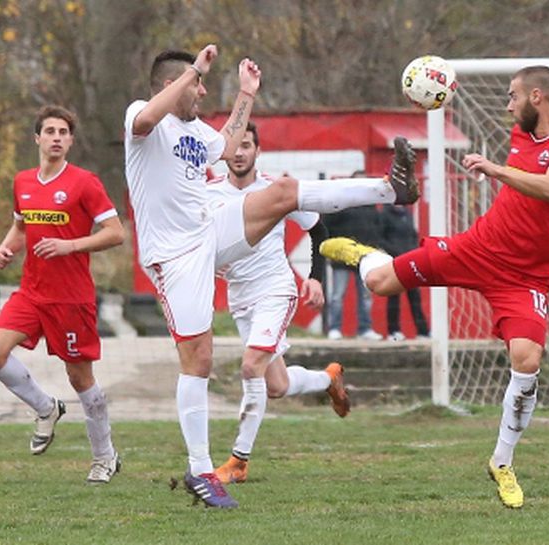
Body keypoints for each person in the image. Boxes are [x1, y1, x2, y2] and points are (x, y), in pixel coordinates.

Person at [124, 44, 417, 508]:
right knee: (197, 359)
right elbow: (144, 122)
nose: (201, 91)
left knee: (282, 192)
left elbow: (223, 145)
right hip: (173, 256)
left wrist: (245, 94)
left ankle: (390, 188)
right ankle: (201, 469)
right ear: (170, 84)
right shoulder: (142, 115)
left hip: (209, 236)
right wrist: (194, 69)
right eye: (197, 84)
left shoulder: (195, 128)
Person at [321, 66, 549, 509]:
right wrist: (445, 88)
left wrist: (496, 170)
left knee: (527, 359)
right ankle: (359, 251)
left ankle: (502, 461)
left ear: (537, 97)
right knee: (378, 281)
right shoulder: (523, 131)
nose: (507, 105)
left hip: (525, 277)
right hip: (479, 248)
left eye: (512, 97)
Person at [0, 105, 125, 483]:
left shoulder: (85, 183)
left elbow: (116, 232)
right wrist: (6, 248)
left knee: (81, 379)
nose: (57, 137)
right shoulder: (23, 182)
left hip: (71, 298)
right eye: (50, 131)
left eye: (63, 132)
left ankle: (104, 456)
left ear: (71, 141)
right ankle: (46, 408)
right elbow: (21, 226)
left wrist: (70, 246)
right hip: (32, 292)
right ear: (38, 138)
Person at [205, 121, 351, 485]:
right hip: (240, 299)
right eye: (234, 146)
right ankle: (327, 379)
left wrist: (315, 276)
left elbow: (318, 229)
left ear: (257, 151)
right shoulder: (207, 194)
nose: (239, 152)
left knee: (251, 366)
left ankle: (238, 460)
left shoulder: (274, 190)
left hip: (274, 290)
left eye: (247, 145)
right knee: (277, 386)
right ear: (225, 152)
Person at [323, 201, 384, 341]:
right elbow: (326, 226)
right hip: (341, 257)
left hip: (364, 256)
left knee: (365, 295)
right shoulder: (339, 204)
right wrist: (331, 249)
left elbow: (378, 228)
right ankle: (334, 328)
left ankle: (365, 329)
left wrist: (374, 248)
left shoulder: (370, 206)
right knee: (337, 295)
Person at [379, 204, 429, 340]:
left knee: (415, 298)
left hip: (410, 263)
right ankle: (393, 331)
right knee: (394, 297)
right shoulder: (384, 214)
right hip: (394, 262)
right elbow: (381, 239)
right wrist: (396, 253)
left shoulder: (407, 214)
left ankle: (423, 331)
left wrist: (413, 252)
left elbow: (413, 235)